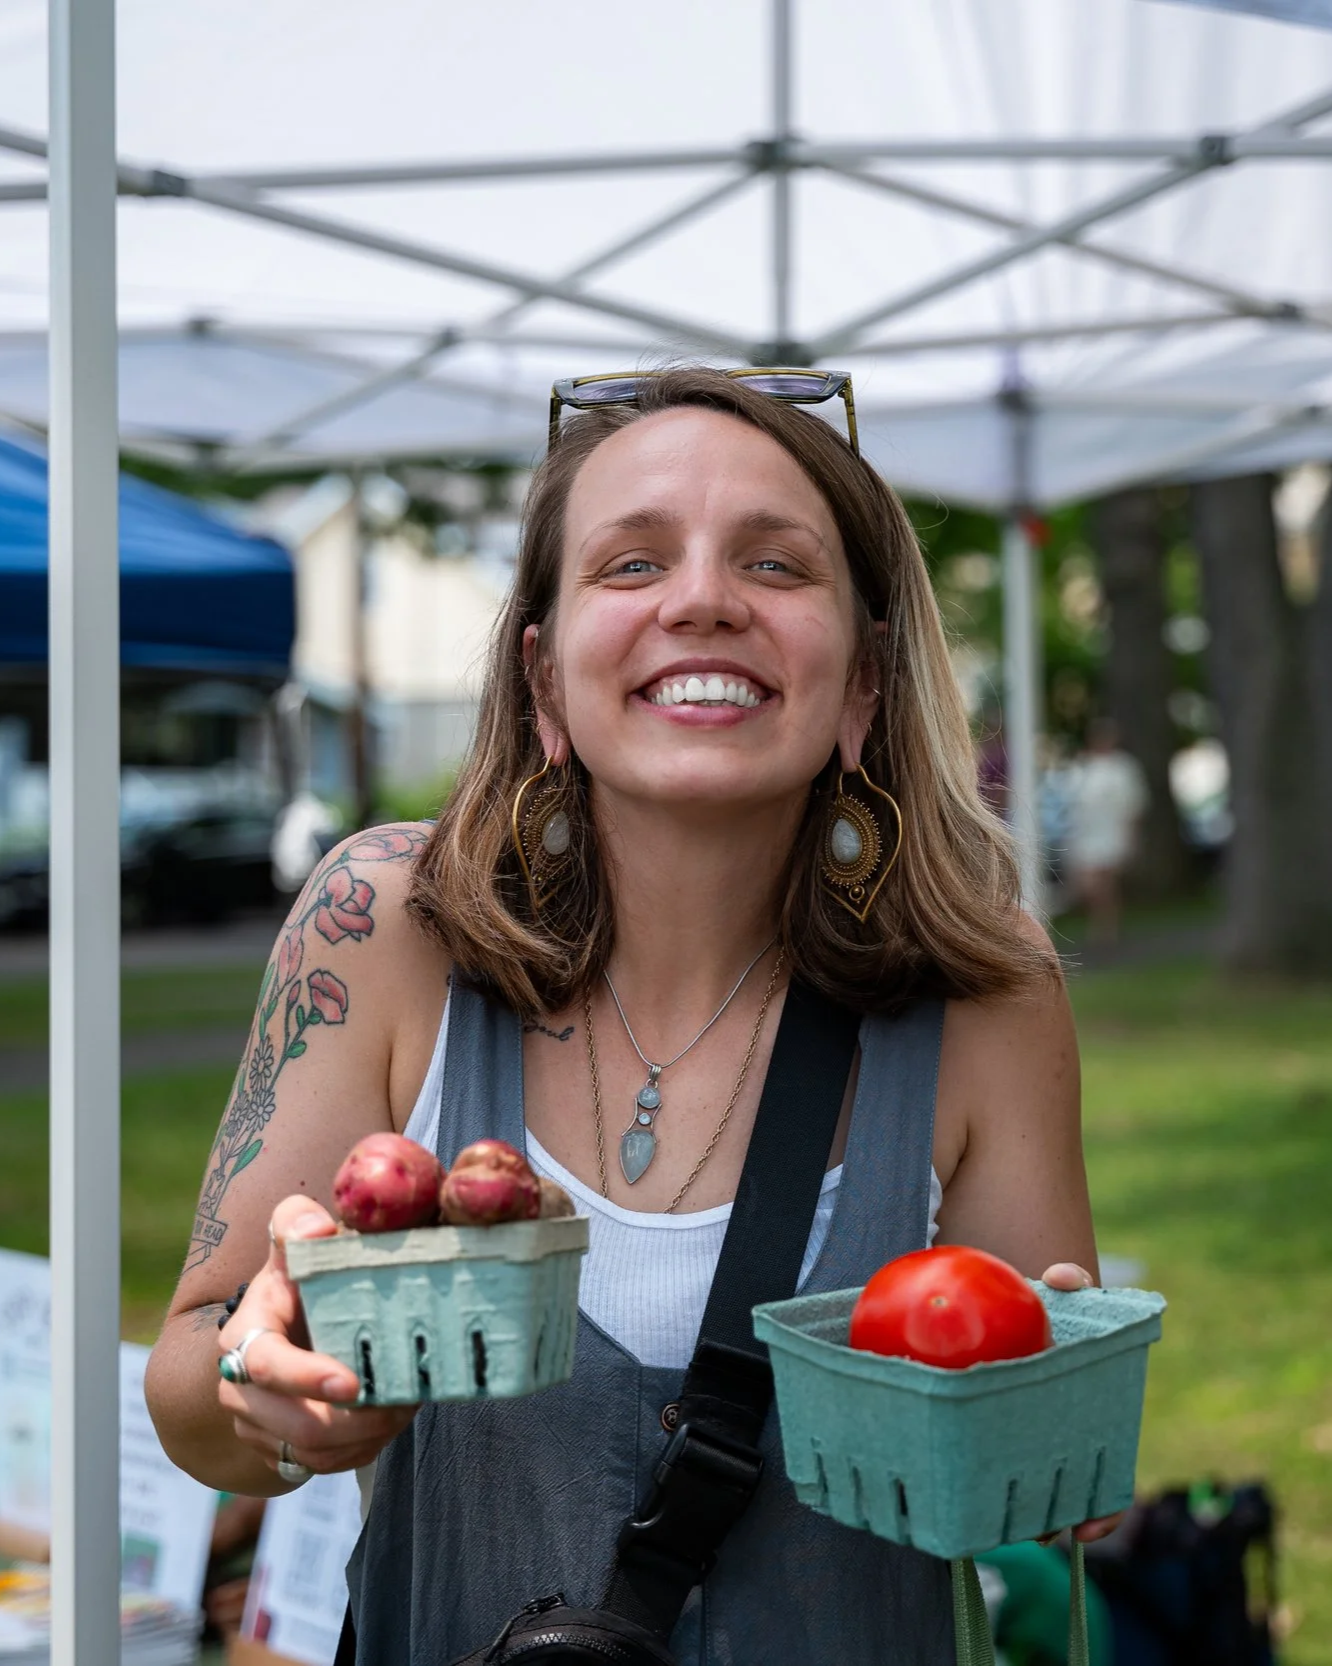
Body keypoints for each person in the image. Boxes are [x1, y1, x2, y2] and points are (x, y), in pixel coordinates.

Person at [145, 367, 1117, 1664]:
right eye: (632, 562)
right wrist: (270, 1395)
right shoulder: (381, 925)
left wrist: (1044, 1422)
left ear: (864, 684)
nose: (703, 599)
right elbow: (190, 1370)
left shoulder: (988, 984)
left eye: (775, 564)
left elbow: (1042, 1506)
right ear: (544, 678)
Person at [1067, 718, 1149, 947]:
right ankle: (1100, 922)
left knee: (1105, 881)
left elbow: (1133, 804)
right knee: (1090, 883)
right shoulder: (1085, 766)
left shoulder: (1122, 767)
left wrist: (1131, 835)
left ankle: (1106, 928)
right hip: (1087, 833)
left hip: (1112, 831)